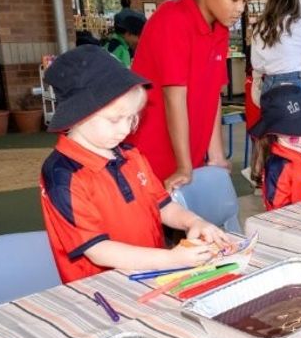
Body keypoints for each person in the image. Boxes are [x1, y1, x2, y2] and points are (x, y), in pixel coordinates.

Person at [38, 45, 234, 284]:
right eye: (115, 119)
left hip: (150, 274)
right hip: (103, 288)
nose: (125, 129)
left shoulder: (131, 155)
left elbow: (162, 206)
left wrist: (193, 221)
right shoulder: (63, 174)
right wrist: (171, 259)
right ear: (77, 115)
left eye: (131, 118)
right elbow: (98, 250)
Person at [130, 0, 269, 189]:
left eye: (245, 1)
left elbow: (213, 92)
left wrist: (216, 154)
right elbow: (173, 96)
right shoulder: (172, 20)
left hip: (191, 149)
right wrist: (183, 166)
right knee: (158, 210)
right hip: (155, 150)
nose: (240, 9)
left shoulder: (220, 28)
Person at [250, 0, 301, 110]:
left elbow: (256, 64)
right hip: (300, 82)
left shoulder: (260, 28)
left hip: (271, 83)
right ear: (295, 2)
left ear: (271, 1)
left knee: (273, 122)